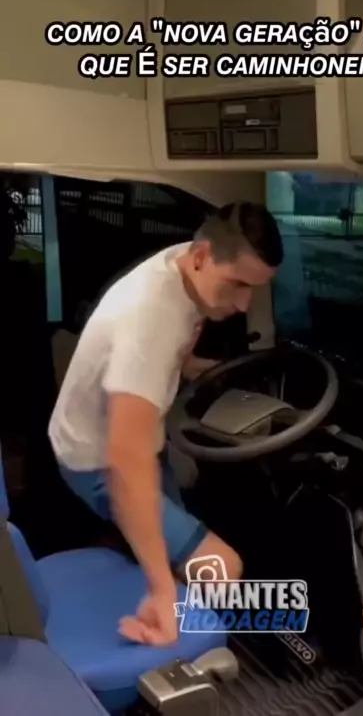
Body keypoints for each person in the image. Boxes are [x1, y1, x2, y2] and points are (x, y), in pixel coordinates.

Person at [48, 202, 284, 646]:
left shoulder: (188, 265)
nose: (244, 304)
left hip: (122, 438)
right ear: (202, 257)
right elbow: (125, 461)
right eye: (238, 284)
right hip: (96, 460)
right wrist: (161, 590)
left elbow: (184, 330)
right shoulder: (150, 321)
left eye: (255, 289)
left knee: (179, 544)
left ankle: (164, 586)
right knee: (223, 569)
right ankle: (176, 638)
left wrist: (191, 366)